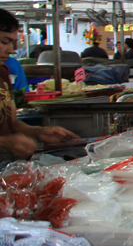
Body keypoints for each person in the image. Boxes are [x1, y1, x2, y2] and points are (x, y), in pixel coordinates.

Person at [0, 9, 78, 159]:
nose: (11, 50)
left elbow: (12, 123)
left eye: (12, 43)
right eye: (4, 42)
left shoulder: (3, 74)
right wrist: (5, 143)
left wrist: (38, 132)